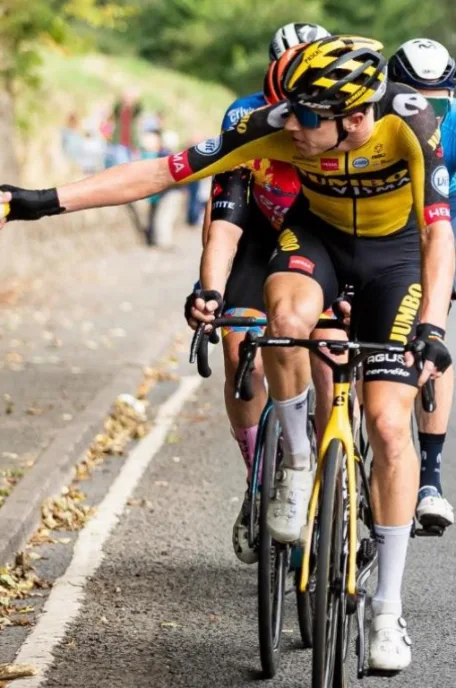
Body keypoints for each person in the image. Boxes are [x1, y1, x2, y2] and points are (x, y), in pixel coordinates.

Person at [0, 36, 454, 672]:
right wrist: (39, 202)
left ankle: (386, 609)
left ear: (355, 117)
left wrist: (430, 326)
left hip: (395, 259)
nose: (292, 124)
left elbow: (437, 232)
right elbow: (160, 171)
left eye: (308, 116)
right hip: (315, 239)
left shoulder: (410, 123)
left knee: (389, 425)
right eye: (288, 110)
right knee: (282, 319)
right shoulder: (280, 126)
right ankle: (292, 461)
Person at [186, 45, 305, 564]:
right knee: (241, 351)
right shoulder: (245, 123)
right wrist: (208, 289)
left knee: (330, 355)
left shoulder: (345, 136)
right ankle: (258, 483)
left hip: (323, 242)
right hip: (258, 241)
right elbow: (223, 231)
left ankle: (331, 472)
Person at [387, 38, 456, 532]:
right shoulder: (378, 115)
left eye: (440, 98)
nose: (428, 106)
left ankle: (429, 479)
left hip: (438, 231)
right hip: (383, 234)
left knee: (435, 333)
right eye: (416, 94)